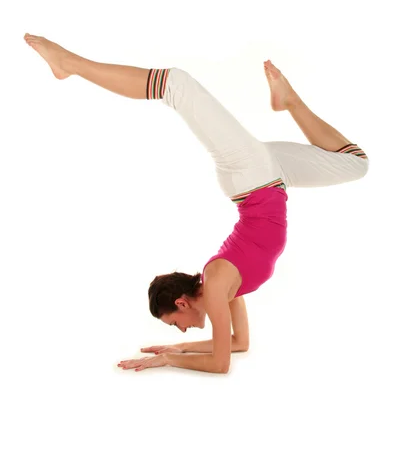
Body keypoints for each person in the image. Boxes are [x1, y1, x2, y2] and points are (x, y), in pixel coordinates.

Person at [23, 33, 369, 374]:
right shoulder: (221, 286)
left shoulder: (216, 282)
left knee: (176, 84)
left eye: (176, 325)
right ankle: (289, 102)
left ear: (181, 302)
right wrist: (178, 349)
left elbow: (220, 364)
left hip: (250, 175)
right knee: (356, 164)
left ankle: (70, 64)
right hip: (269, 177)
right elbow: (236, 345)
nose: (183, 329)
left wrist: (170, 359)